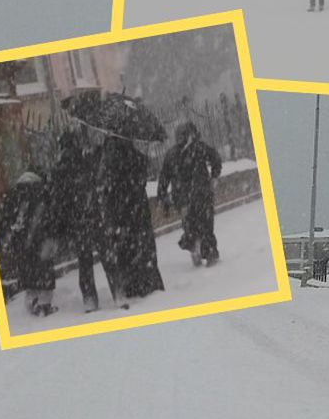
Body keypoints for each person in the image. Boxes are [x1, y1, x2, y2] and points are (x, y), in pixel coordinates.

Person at [95, 134, 164, 303]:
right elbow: (143, 175)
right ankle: (148, 282)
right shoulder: (136, 157)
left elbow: (103, 186)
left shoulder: (108, 161)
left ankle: (131, 285)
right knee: (143, 246)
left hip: (119, 212)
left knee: (125, 248)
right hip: (137, 208)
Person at [49, 129, 109, 312]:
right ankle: (118, 290)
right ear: (75, 143)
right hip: (93, 214)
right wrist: (98, 148)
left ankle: (89, 299)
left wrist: (61, 227)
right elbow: (99, 172)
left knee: (85, 261)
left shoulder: (58, 170)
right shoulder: (85, 161)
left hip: (76, 221)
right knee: (107, 254)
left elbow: (58, 201)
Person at [158, 122, 222, 267]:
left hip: (184, 199)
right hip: (201, 194)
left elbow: (163, 178)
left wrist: (162, 197)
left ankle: (196, 247)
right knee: (205, 225)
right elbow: (216, 159)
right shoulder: (199, 148)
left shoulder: (172, 154)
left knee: (190, 225)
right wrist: (214, 177)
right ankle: (207, 251)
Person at [0, 171, 60, 317]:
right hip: (40, 240)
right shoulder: (42, 194)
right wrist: (52, 235)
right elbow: (51, 217)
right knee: (44, 271)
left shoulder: (15, 195)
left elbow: (6, 218)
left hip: (23, 243)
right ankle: (44, 305)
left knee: (28, 271)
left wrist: (8, 239)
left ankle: (32, 302)